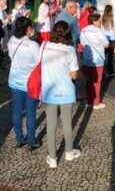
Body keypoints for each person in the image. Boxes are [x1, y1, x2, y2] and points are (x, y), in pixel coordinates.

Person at [41, 21, 80, 168]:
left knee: (50, 124)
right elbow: (74, 74)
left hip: (49, 91)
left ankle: (52, 158)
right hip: (66, 91)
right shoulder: (70, 50)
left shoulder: (44, 46)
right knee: (67, 123)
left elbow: (38, 65)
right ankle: (69, 152)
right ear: (67, 33)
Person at [8, 17, 40, 149]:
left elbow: (11, 56)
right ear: (28, 29)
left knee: (16, 111)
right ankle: (32, 141)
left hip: (15, 81)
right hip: (30, 83)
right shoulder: (33, 45)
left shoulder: (11, 40)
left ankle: (19, 139)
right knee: (31, 113)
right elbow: (38, 63)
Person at [80, 12, 109, 110]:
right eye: (99, 20)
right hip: (98, 59)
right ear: (94, 21)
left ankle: (89, 101)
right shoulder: (98, 31)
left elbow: (83, 44)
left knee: (88, 81)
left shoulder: (83, 30)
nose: (100, 22)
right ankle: (96, 103)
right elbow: (106, 43)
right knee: (97, 81)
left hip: (87, 58)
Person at [101, 5, 115, 76]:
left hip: (103, 39)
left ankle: (102, 71)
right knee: (110, 57)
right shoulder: (112, 18)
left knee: (103, 56)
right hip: (112, 39)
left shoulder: (102, 17)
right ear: (111, 10)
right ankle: (110, 72)